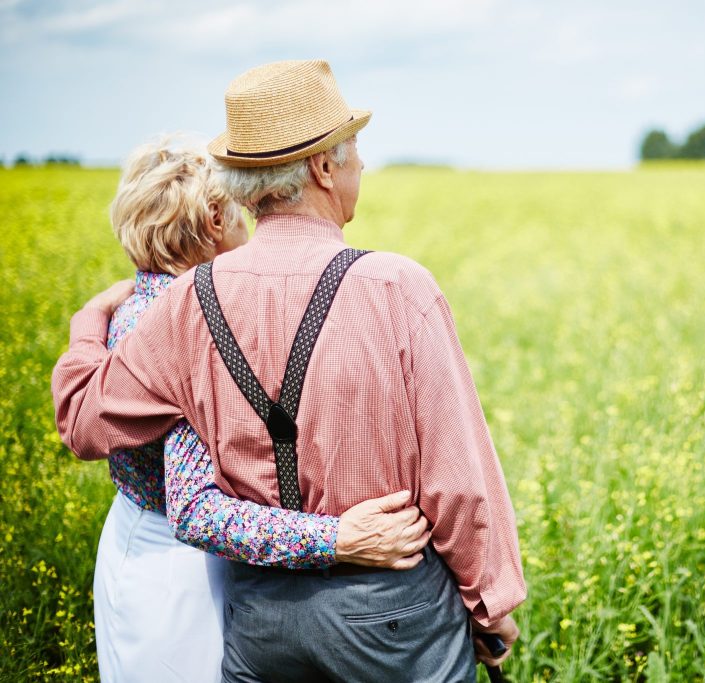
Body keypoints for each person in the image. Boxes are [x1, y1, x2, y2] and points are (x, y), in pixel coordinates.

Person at [52, 59, 526, 682]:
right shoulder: (397, 287)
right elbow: (458, 478)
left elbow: (84, 424)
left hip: (259, 622)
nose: (361, 168)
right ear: (323, 167)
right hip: (391, 618)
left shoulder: (190, 299)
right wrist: (490, 607)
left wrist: (90, 320)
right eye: (354, 155)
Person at [86, 136, 432, 682]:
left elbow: (78, 410)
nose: (253, 223)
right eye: (242, 213)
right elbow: (196, 511)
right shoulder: (188, 321)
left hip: (135, 545)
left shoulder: (132, 308)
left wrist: (85, 322)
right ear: (214, 220)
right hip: (183, 582)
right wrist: (340, 538)